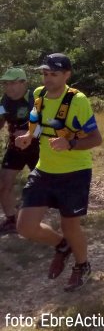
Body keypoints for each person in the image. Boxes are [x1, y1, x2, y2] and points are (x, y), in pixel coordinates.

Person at [16, 54, 102, 291]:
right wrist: (27, 136)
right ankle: (63, 246)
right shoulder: (38, 95)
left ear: (67, 75)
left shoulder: (78, 100)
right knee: (25, 227)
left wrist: (70, 143)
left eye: (54, 74)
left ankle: (82, 264)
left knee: (70, 225)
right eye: (45, 73)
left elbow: (96, 139)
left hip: (74, 172)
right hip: (44, 170)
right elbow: (37, 124)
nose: (48, 78)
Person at [0, 68, 37, 234]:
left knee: (48, 185)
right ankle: (11, 220)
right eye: (6, 83)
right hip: (15, 148)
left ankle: (68, 216)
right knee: (3, 184)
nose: (9, 87)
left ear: (23, 83)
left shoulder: (35, 99)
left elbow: (49, 125)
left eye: (13, 83)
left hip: (37, 148)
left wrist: (30, 133)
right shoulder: (4, 101)